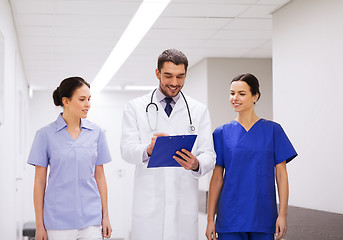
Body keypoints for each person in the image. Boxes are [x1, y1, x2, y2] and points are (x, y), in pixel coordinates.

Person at [121, 49, 216, 240]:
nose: (174, 83)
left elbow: (209, 154)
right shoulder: (136, 107)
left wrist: (196, 164)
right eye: (168, 76)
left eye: (180, 76)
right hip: (149, 206)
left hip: (183, 206)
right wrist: (148, 149)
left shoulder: (198, 110)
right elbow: (126, 149)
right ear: (157, 73)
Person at [205, 73, 297, 240]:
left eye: (241, 93)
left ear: (255, 96)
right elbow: (217, 178)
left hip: (263, 215)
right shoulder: (221, 133)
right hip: (230, 217)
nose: (235, 98)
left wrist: (282, 215)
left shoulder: (273, 131)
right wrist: (210, 219)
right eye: (232, 93)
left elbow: (282, 175)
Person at [28, 77, 112, 240]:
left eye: (89, 99)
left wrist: (105, 216)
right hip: (57, 221)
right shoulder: (45, 135)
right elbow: (39, 182)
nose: (88, 104)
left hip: (91, 220)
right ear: (66, 101)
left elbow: (100, 177)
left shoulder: (97, 133)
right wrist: (40, 225)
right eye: (82, 99)